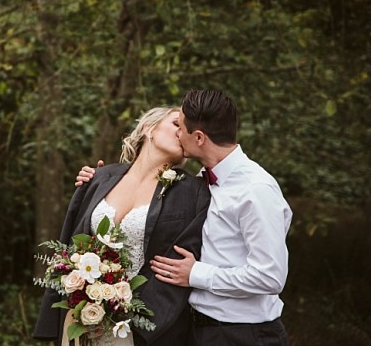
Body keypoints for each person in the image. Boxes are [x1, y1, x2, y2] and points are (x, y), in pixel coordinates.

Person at [77, 90, 292, 345]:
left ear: (199, 137)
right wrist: (99, 182)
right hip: (197, 331)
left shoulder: (256, 190)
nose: (179, 133)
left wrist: (197, 274)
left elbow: (270, 277)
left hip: (244, 334)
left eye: (181, 127)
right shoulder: (201, 183)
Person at [34, 107, 211, 345]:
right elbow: (70, 243)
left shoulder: (193, 192)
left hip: (142, 329)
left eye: (188, 128)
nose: (183, 132)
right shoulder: (98, 178)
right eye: (176, 123)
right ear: (150, 128)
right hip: (81, 317)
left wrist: (132, 320)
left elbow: (178, 265)